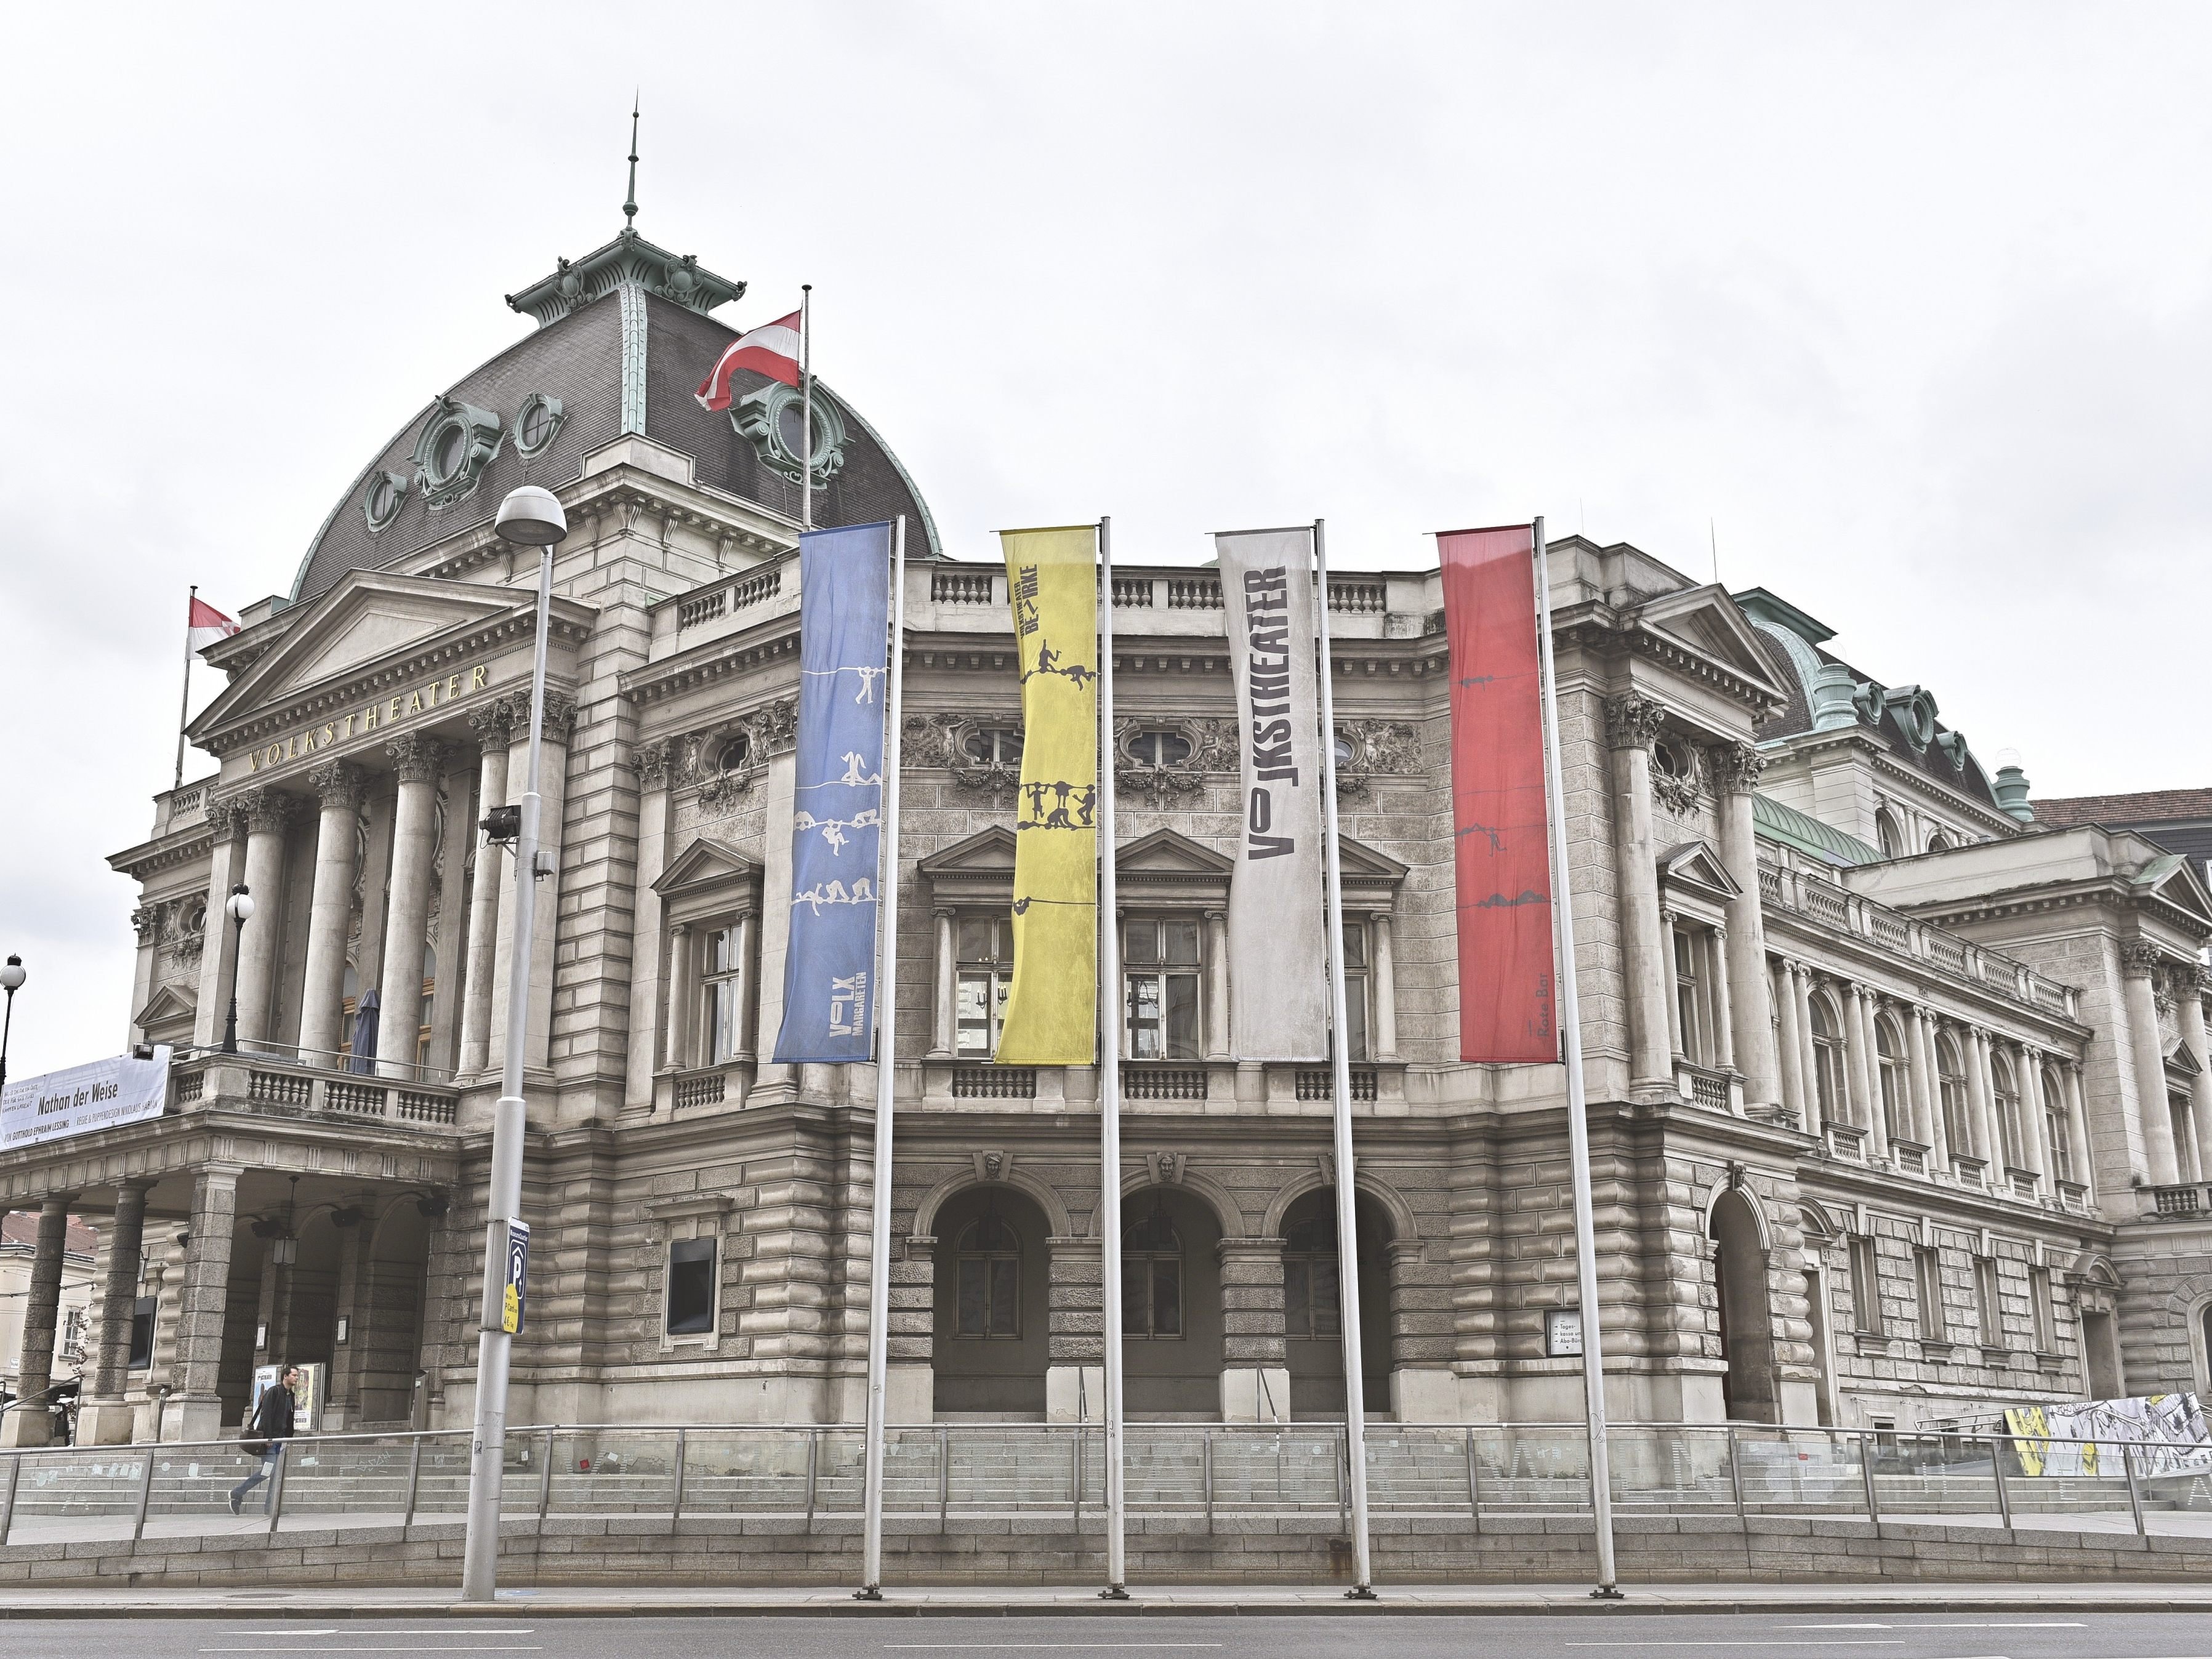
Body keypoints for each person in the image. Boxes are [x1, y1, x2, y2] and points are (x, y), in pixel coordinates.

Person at [229, 1365, 299, 1515]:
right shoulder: (274, 1392)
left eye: (297, 1376)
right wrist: (268, 1436)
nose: (296, 1378)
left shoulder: (290, 1396)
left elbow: (289, 1419)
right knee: (269, 1470)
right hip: (270, 1439)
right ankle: (237, 1493)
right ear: (285, 1376)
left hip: (280, 1439)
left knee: (275, 1473)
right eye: (294, 1375)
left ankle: (270, 1507)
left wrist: (288, 1438)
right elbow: (266, 1414)